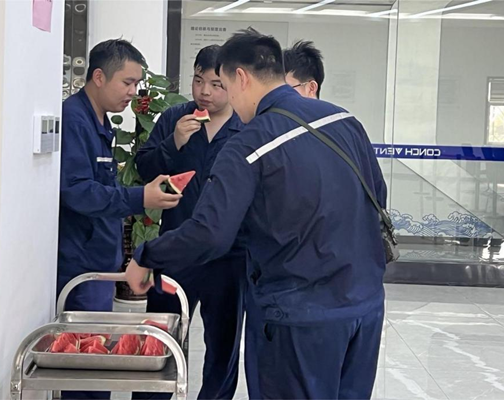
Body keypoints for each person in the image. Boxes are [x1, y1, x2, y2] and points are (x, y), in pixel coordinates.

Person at [125, 28, 387, 399]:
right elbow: (377, 196)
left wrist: (147, 256)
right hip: (364, 308)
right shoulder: (343, 120)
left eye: (226, 87)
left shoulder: (249, 142)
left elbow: (210, 234)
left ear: (241, 78)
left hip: (297, 317)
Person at [57, 39, 181, 400]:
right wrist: (140, 197)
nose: (132, 92)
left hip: (99, 262)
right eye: (127, 82)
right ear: (99, 77)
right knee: (86, 376)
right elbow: (78, 192)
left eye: (137, 84)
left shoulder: (101, 121)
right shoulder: (75, 120)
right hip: (80, 267)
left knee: (97, 370)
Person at [133, 45, 246, 400]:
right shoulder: (174, 117)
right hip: (174, 251)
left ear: (233, 84)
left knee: (223, 346)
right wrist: (175, 142)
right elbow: (144, 168)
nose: (205, 92)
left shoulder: (246, 126)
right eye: (198, 81)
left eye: (216, 84)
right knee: (160, 338)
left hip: (228, 257)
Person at [245, 39, 327, 399]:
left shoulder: (337, 134)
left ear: (310, 88)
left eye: (286, 89)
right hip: (269, 282)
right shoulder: (265, 136)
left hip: (310, 294)